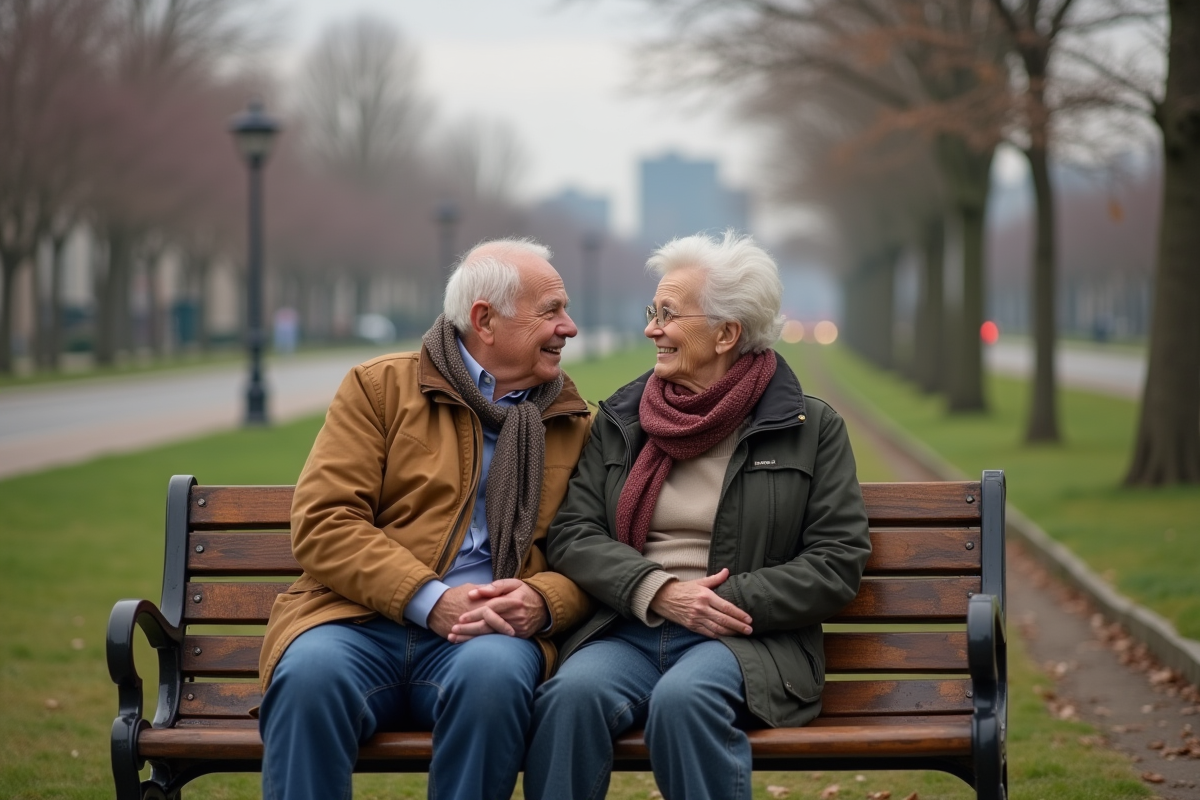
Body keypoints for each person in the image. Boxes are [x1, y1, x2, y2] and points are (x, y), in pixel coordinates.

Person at [523, 232, 872, 800]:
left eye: (668, 314)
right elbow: (573, 533)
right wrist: (657, 591)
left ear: (727, 333)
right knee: (569, 698)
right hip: (630, 628)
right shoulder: (620, 419)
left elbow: (836, 563)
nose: (651, 329)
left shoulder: (809, 427)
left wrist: (720, 603)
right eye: (652, 312)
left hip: (747, 641)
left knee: (685, 702)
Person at [257, 238, 593, 800]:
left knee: (493, 682)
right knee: (309, 679)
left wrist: (543, 601)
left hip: (489, 637)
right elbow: (325, 521)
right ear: (485, 320)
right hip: (355, 622)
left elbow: (591, 550)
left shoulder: (573, 420)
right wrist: (431, 600)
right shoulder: (379, 388)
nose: (570, 327)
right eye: (551, 311)